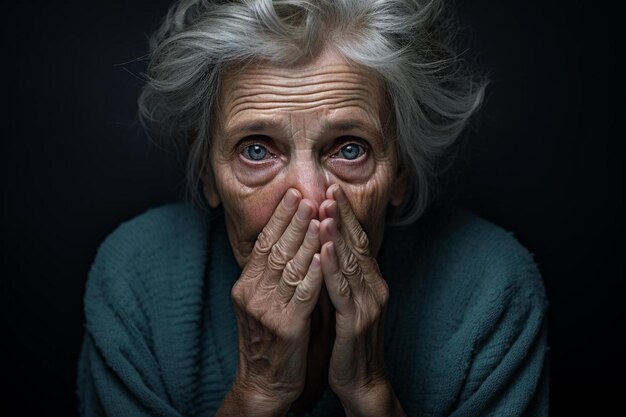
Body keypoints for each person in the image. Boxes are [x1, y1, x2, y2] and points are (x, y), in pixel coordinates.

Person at [77, 0, 548, 415]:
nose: (309, 196)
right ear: (208, 173)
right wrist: (257, 391)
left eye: (349, 149)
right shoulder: (136, 277)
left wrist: (369, 392)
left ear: (400, 172)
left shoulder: (489, 288)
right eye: (257, 150)